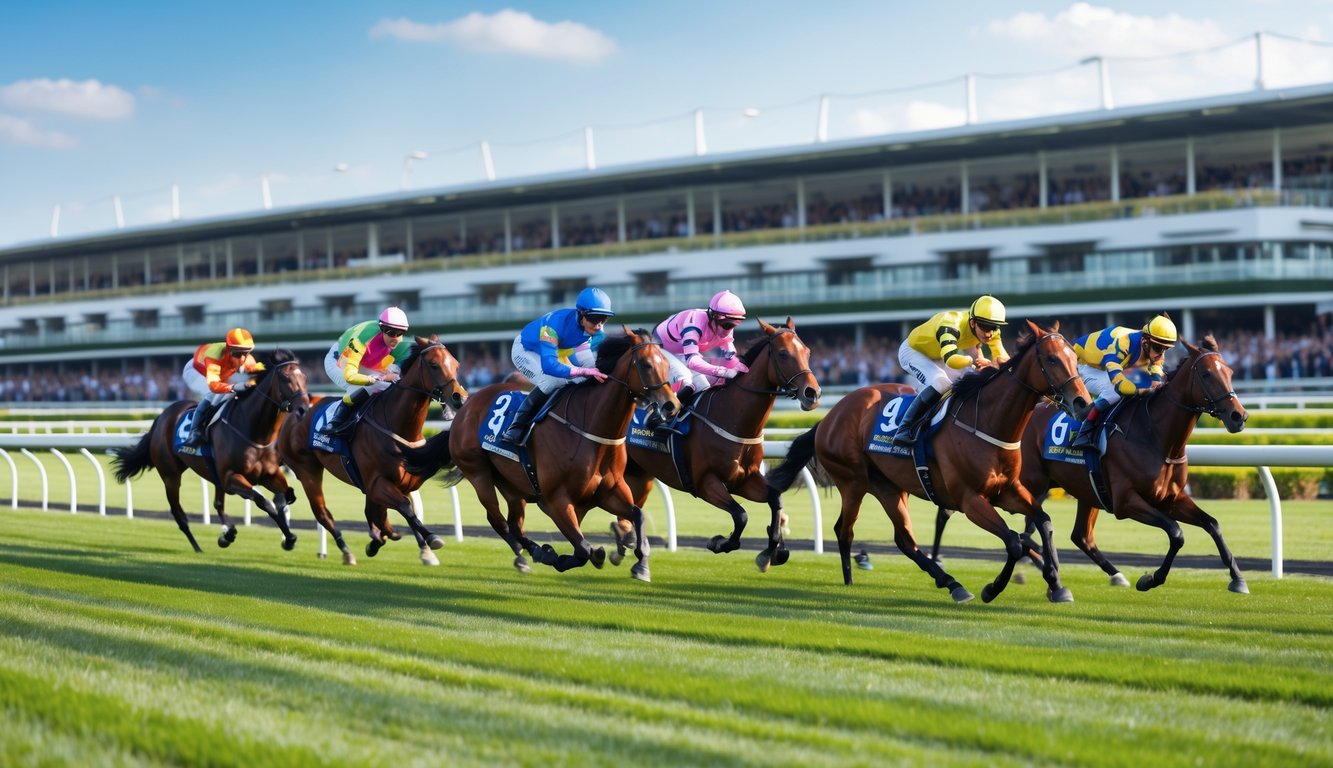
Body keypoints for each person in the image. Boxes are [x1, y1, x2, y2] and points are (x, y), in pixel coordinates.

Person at [500, 287, 614, 446]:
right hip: (527, 350)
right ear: (581, 314)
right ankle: (516, 427)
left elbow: (584, 355)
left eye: (604, 319)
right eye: (594, 319)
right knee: (551, 380)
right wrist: (581, 371)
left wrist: (592, 371)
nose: (599, 325)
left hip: (559, 351)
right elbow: (549, 366)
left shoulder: (590, 327)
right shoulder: (553, 325)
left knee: (595, 373)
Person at [893, 295, 1010, 446]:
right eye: (986, 327)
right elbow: (951, 360)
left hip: (937, 354)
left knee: (974, 377)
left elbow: (1004, 360)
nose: (990, 334)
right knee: (942, 384)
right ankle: (904, 428)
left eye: (994, 327)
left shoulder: (990, 330)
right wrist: (973, 360)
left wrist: (994, 365)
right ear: (973, 323)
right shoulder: (950, 324)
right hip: (914, 352)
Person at [1069, 313, 1177, 448]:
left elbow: (1157, 368)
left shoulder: (1152, 344)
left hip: (1104, 368)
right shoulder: (1123, 342)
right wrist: (1142, 390)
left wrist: (1155, 383)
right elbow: (1118, 382)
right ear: (1145, 342)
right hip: (1081, 367)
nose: (1161, 353)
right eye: (1158, 348)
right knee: (1114, 390)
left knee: (1143, 381)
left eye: (1165, 349)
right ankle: (1086, 427)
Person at [322, 306, 412, 435]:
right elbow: (350, 376)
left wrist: (392, 374)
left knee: (388, 384)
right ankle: (336, 420)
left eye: (401, 333)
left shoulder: (399, 343)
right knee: (369, 385)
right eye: (392, 333)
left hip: (365, 363)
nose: (396, 338)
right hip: (340, 362)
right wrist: (378, 378)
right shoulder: (362, 340)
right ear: (382, 329)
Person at [654, 289, 750, 409]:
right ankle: (661, 415)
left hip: (682, 349)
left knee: (707, 383)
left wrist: (736, 363)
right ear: (714, 317)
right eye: (727, 325)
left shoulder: (721, 320)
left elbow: (728, 347)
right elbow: (692, 362)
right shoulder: (693, 326)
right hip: (660, 348)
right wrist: (723, 371)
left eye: (734, 325)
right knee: (687, 380)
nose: (729, 331)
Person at [181, 327, 264, 447]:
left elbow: (262, 368)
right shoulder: (215, 355)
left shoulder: (247, 360)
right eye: (237, 354)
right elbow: (214, 386)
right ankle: (194, 432)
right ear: (229, 349)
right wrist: (235, 387)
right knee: (212, 394)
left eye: (245, 353)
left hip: (220, 373)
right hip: (196, 371)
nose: (242, 359)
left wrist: (275, 365)